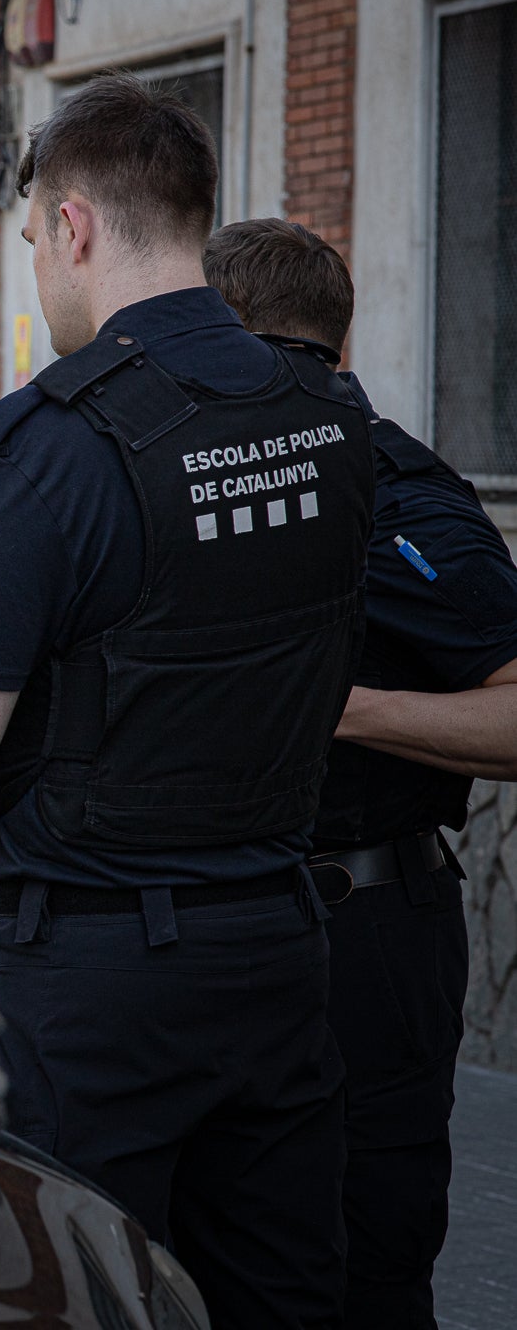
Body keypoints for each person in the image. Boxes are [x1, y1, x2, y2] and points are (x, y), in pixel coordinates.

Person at [0, 73, 375, 1327]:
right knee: (286, 1291)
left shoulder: (40, 446)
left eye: (29, 244)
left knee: (81, 1291)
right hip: (279, 939)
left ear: (74, 228)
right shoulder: (330, 413)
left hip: (101, 967)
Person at [206, 217, 517, 1330]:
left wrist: (347, 709)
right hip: (208, 931)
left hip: (365, 929)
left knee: (369, 1267)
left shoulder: (400, 493)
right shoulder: (176, 486)